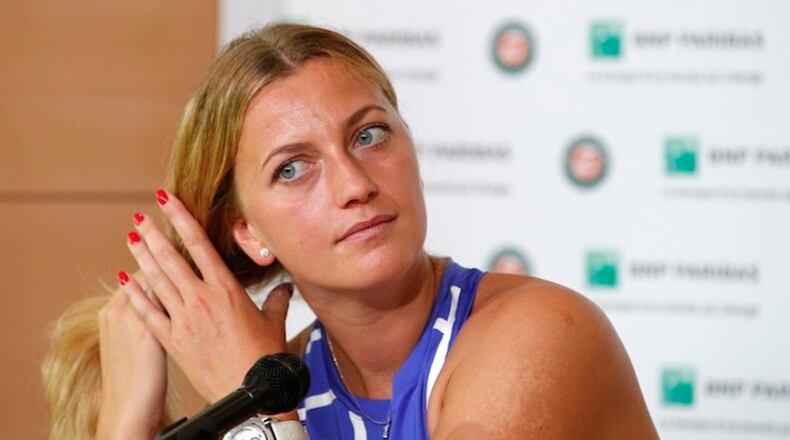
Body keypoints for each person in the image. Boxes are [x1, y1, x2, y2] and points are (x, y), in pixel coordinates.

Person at [42, 23, 659, 439]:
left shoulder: (539, 338)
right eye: (292, 168)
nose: (353, 184)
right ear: (249, 232)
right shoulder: (272, 381)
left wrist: (262, 413)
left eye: (368, 135)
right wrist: (124, 424)